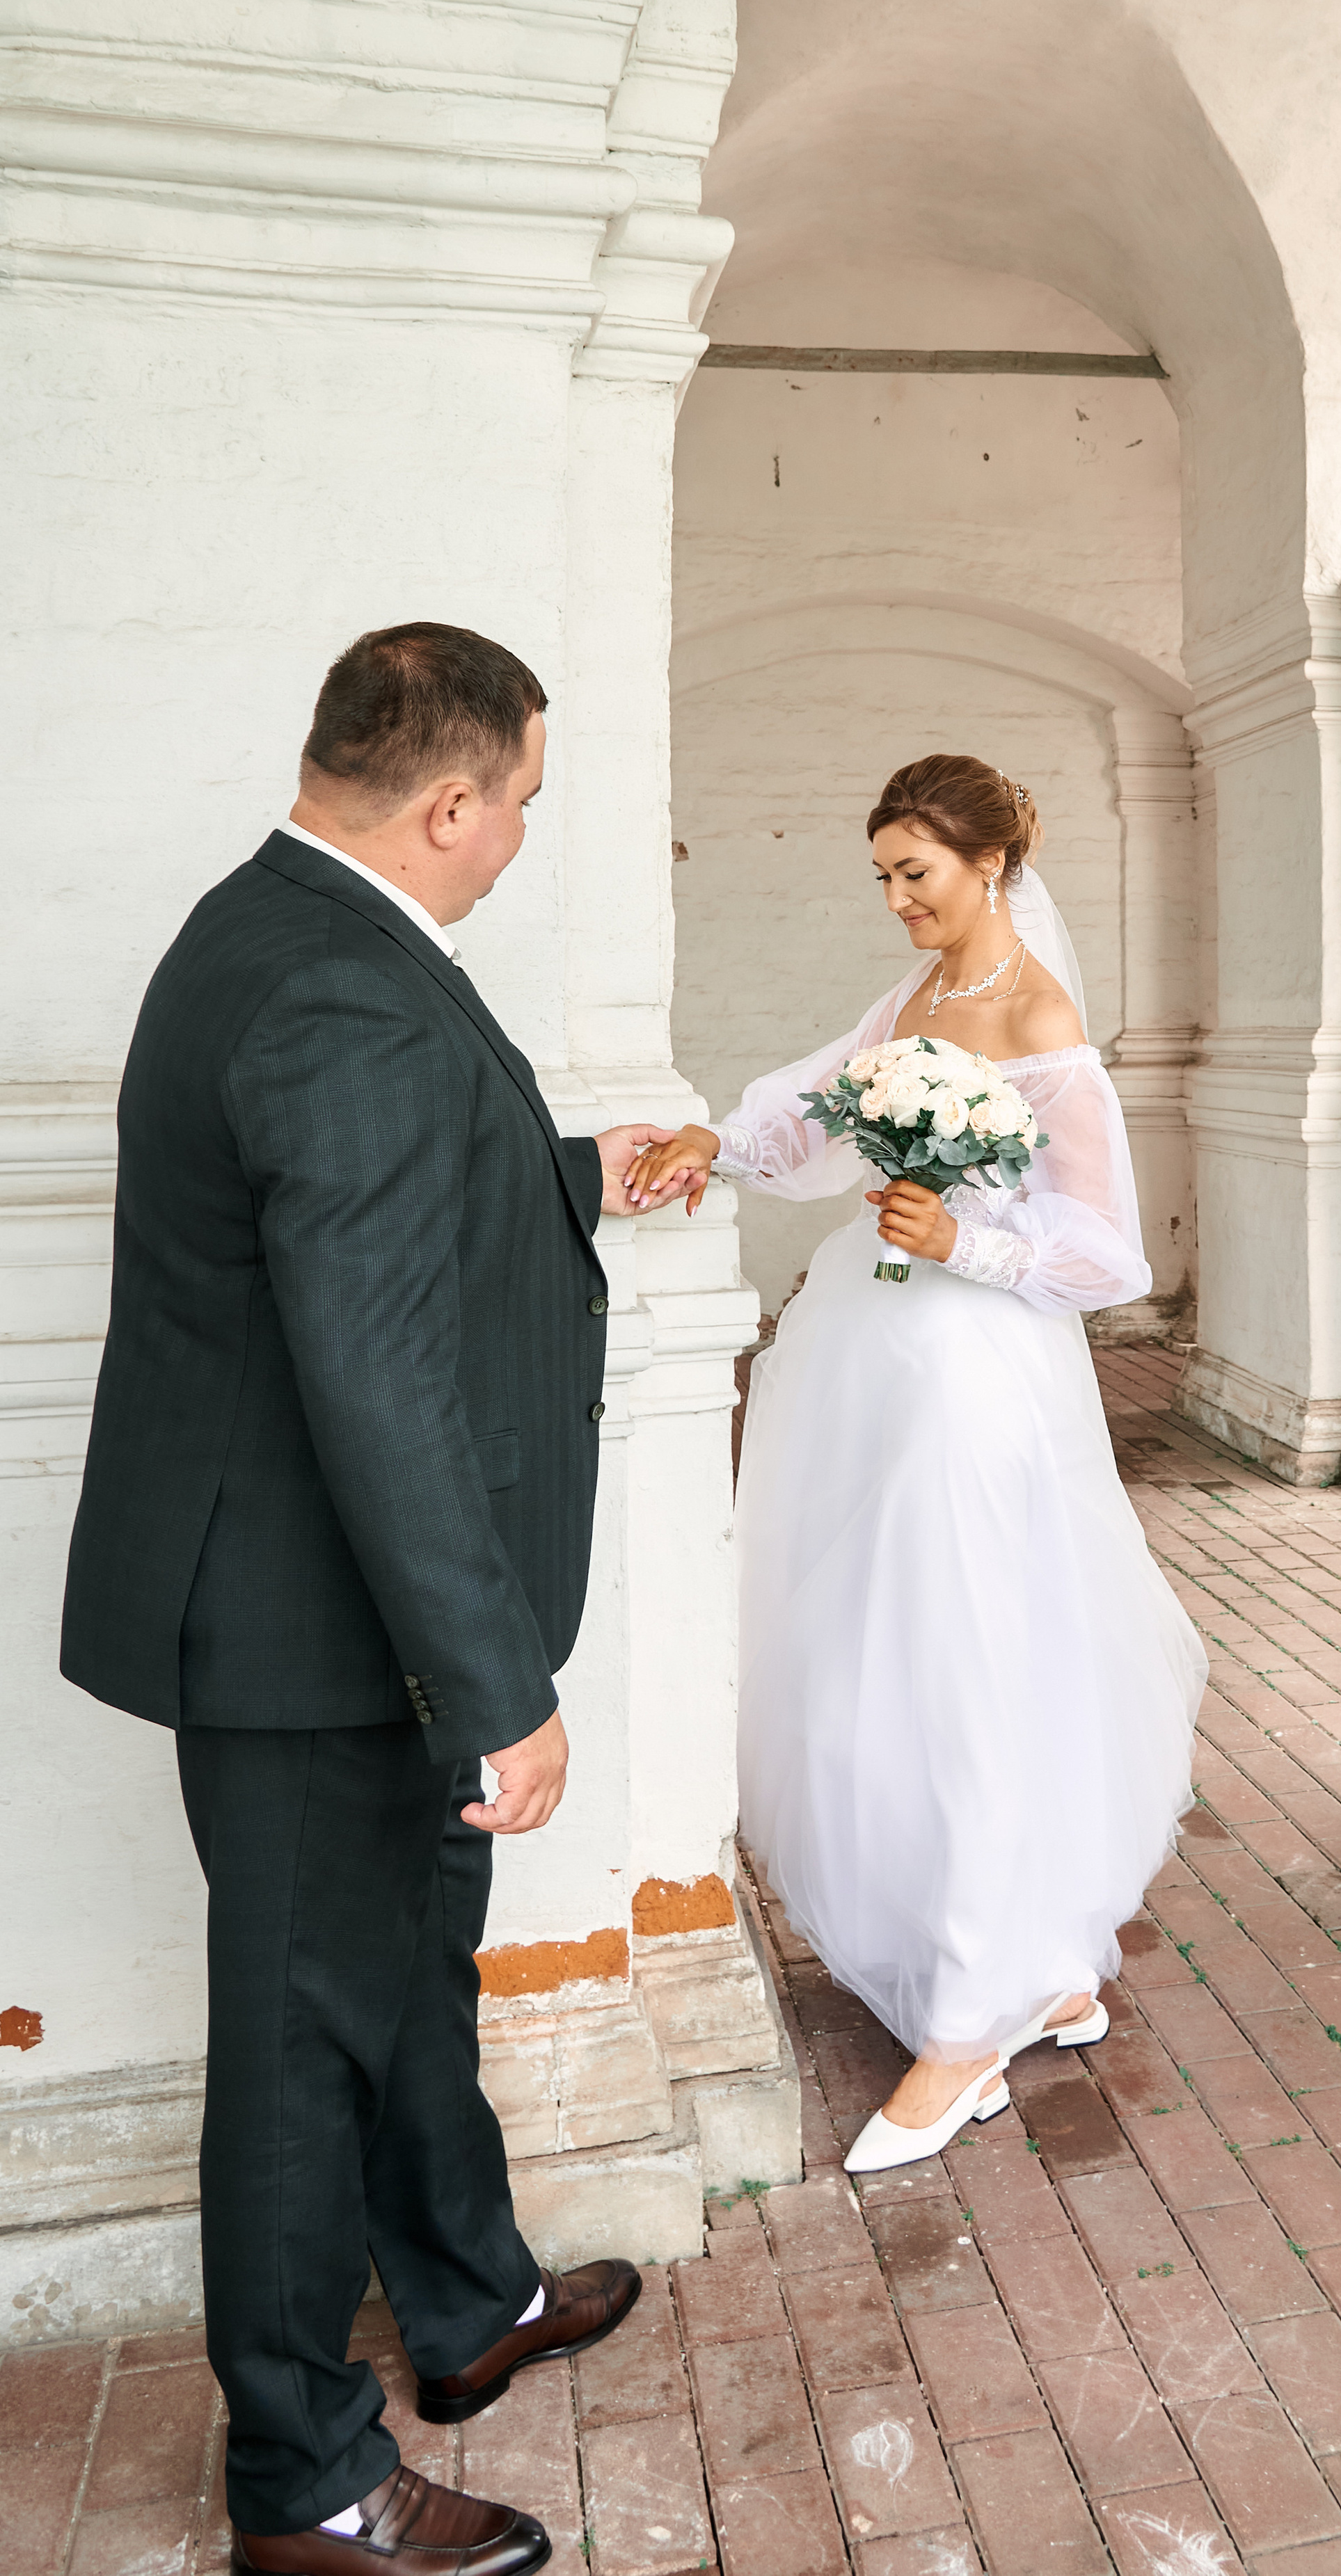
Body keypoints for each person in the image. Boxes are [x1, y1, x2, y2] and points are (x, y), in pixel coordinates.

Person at [61, 625, 675, 2576]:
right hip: (326, 1635)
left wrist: (572, 1174)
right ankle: (307, 2480)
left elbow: (351, 1208)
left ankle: (465, 2300)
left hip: (320, 1619)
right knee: (303, 2043)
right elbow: (372, 1362)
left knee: (407, 1980)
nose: (514, 846)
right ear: (448, 799)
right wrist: (498, 1682)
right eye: (518, 811)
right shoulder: (347, 992)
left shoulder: (275, 931)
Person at [628, 753, 1207, 2170]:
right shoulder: (916, 1002)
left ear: (988, 866)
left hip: (972, 1376)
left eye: (916, 874)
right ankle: (1041, 1970)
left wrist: (970, 1244)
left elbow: (1105, 1253)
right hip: (869, 1360)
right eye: (881, 875)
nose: (895, 901)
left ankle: (968, 2025)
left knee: (962, 1655)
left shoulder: (1035, 1014)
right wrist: (716, 1138)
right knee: (871, 1644)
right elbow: (820, 1109)